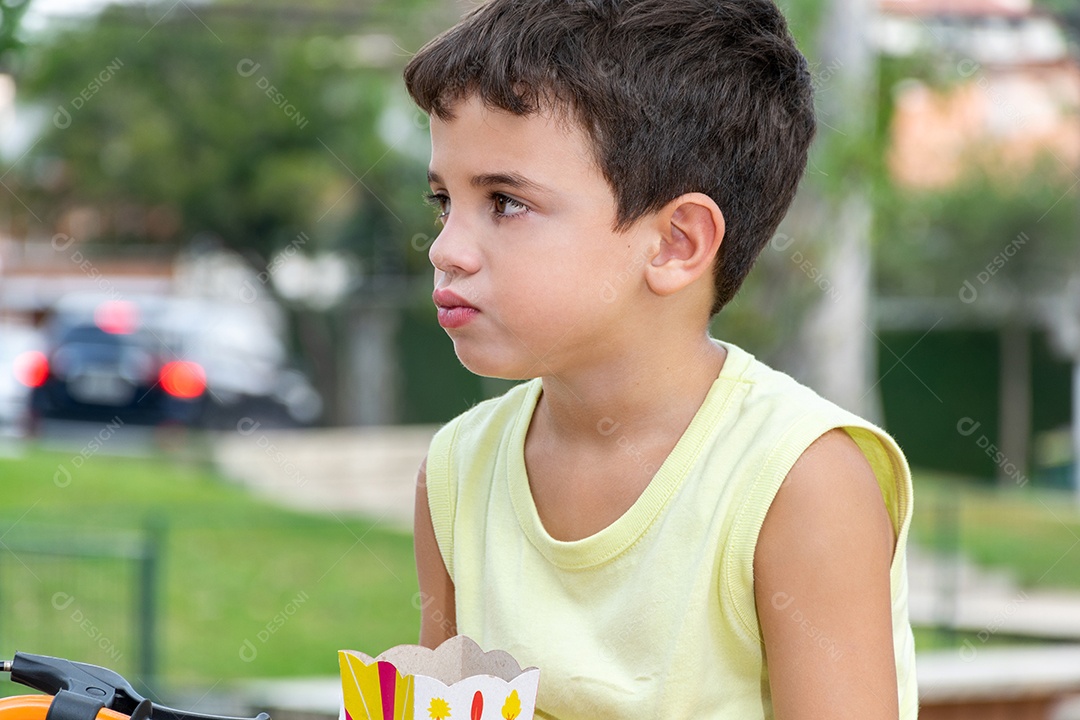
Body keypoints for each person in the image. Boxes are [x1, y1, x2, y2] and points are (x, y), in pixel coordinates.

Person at [404, 0, 917, 718]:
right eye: (443, 200)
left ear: (677, 243)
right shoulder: (457, 472)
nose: (446, 249)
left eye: (506, 202)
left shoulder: (799, 482)